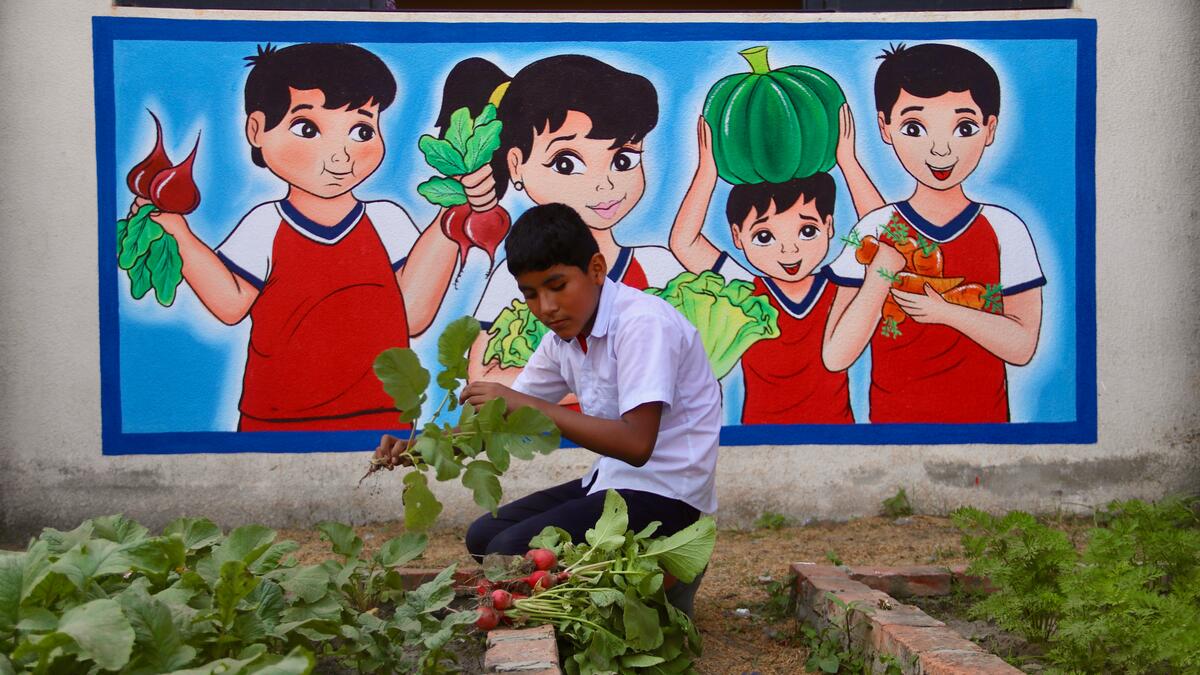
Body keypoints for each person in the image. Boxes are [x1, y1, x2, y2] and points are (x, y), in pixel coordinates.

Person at [129, 43, 491, 431]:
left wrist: (451, 213)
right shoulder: (266, 224)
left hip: (383, 415)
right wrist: (178, 233)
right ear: (257, 130)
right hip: (275, 418)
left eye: (362, 130)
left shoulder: (388, 221)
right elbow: (231, 303)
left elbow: (412, 316)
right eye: (308, 129)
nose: (341, 156)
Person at [376, 204, 719, 562]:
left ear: (597, 270)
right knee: (483, 537)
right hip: (614, 483)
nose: (547, 307)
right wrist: (419, 448)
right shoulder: (562, 341)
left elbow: (636, 444)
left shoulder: (643, 324)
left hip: (669, 498)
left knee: (508, 550)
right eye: (531, 294)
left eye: (557, 286)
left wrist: (528, 406)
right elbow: (497, 424)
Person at [824, 43, 1045, 423]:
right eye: (914, 128)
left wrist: (945, 312)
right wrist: (881, 272)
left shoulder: (1006, 229)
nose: (940, 150)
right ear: (885, 128)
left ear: (989, 129)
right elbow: (836, 355)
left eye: (964, 127)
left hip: (988, 433)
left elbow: (1023, 346)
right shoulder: (874, 230)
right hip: (890, 432)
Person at [433, 55, 683, 390]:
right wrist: (616, 378)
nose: (605, 185)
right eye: (566, 163)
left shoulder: (659, 268)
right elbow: (483, 377)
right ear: (516, 165)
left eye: (623, 159)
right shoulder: (518, 279)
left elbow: (684, 366)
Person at [670, 117, 856, 424]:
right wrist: (707, 173)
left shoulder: (841, 283)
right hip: (759, 438)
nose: (789, 250)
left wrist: (847, 162)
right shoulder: (748, 290)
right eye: (765, 237)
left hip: (836, 434)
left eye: (807, 231)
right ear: (737, 237)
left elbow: (882, 232)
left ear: (829, 226)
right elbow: (684, 242)